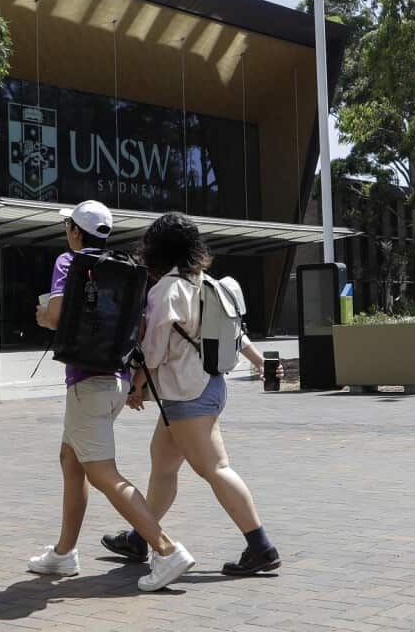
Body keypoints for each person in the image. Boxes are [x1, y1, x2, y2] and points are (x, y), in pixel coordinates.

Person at [101, 212, 281, 576]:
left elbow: (153, 350)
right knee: (163, 464)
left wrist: (136, 387)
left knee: (215, 468)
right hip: (209, 386)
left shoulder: (167, 289)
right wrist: (260, 360)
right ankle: (140, 537)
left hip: (186, 395)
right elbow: (234, 334)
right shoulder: (207, 282)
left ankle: (260, 545)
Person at [28, 200, 196, 592]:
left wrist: (42, 316)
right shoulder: (124, 271)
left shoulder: (69, 263)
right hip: (116, 382)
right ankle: (64, 554)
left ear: (75, 232)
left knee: (103, 473)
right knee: (71, 459)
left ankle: (167, 550)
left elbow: (54, 316)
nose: (67, 231)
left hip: (87, 382)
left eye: (68, 226)